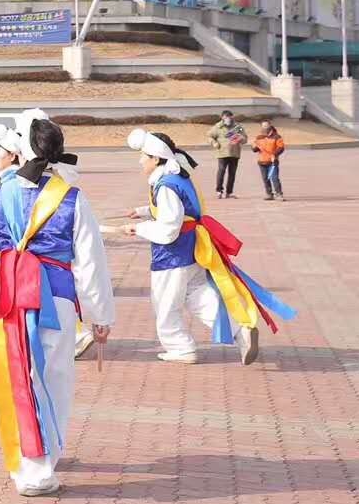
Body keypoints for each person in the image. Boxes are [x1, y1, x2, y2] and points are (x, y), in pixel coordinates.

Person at [0, 117, 113, 496]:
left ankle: (31, 460)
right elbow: (91, 261)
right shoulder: (72, 196)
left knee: (16, 374)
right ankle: (42, 461)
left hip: (5, 293)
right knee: (54, 378)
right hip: (57, 297)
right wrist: (99, 317)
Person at [122, 128, 297, 365]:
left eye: (144, 155)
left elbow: (169, 227)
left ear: (156, 157)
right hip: (193, 250)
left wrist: (139, 228)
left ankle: (179, 347)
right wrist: (144, 211)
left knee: (165, 303)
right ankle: (239, 330)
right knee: (197, 295)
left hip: (172, 254)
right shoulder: (178, 177)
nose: (140, 160)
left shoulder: (165, 185)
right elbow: (181, 209)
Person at [207, 110, 247, 198]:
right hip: (222, 153)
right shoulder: (218, 127)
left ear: (232, 117)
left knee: (232, 173)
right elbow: (209, 136)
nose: (228, 119)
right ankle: (219, 191)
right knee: (221, 171)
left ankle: (229, 192)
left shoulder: (237, 127)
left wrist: (241, 139)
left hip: (234, 153)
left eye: (229, 117)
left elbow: (245, 138)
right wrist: (214, 143)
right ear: (222, 117)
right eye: (226, 117)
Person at [252, 120, 285, 201]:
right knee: (265, 178)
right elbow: (254, 149)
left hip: (272, 162)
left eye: (266, 126)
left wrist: (275, 154)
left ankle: (279, 194)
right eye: (263, 126)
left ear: (270, 126)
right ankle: (269, 194)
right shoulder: (259, 137)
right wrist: (254, 147)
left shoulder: (277, 136)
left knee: (274, 178)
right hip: (262, 161)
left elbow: (281, 148)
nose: (265, 127)